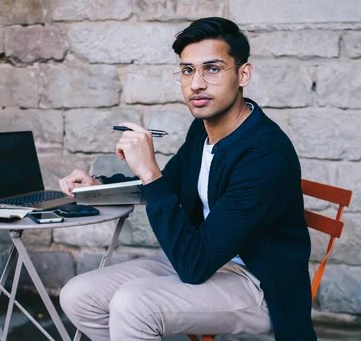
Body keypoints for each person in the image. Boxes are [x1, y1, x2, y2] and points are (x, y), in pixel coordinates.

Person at [58, 17, 316, 341]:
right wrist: (99, 186)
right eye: (187, 70)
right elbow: (168, 185)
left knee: (133, 304)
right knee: (79, 294)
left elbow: (193, 263)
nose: (196, 83)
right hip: (207, 257)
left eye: (212, 69)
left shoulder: (264, 157)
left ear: (243, 75)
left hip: (261, 286)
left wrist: (149, 170)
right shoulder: (202, 130)